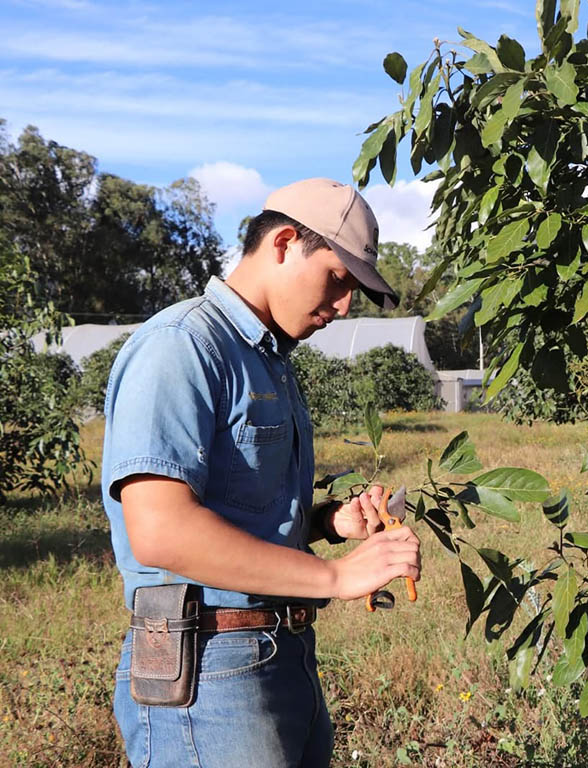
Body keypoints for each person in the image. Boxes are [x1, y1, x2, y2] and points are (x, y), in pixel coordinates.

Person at [102, 178, 421, 767]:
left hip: (283, 654)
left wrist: (328, 523)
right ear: (283, 243)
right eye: (338, 278)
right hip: (209, 668)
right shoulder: (181, 347)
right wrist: (335, 577)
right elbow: (161, 531)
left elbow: (242, 508)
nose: (343, 306)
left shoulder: (269, 360)